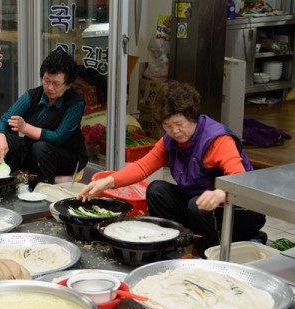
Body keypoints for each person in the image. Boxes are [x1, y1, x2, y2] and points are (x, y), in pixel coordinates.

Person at [77, 80, 266, 256]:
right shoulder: (170, 140)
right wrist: (107, 182)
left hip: (240, 210)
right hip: (200, 207)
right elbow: (142, 167)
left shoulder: (217, 139)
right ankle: (173, 247)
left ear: (193, 117)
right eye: (168, 126)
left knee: (196, 205)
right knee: (157, 190)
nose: (175, 131)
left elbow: (238, 179)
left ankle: (209, 256)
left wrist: (220, 194)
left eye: (179, 124)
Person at [0, 49, 88, 185]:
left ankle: (46, 184)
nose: (49, 87)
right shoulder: (33, 95)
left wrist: (24, 127)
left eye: (56, 84)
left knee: (41, 148)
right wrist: (0, 137)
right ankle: (12, 178)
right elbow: (4, 119)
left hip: (66, 156)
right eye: (46, 81)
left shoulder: (75, 103)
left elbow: (58, 137)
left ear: (68, 85)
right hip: (33, 149)